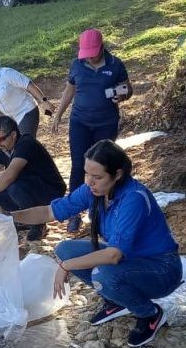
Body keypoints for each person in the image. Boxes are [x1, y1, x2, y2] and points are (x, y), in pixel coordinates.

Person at [10, 140, 181, 348]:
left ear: (117, 174)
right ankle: (117, 300)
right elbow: (49, 212)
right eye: (87, 174)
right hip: (129, 259)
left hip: (161, 269)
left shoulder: (133, 199)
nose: (90, 182)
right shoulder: (94, 190)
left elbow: (113, 255)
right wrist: (9, 217)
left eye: (97, 177)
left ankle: (150, 314)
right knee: (65, 250)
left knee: (102, 274)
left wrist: (65, 267)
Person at [52, 28, 133, 232]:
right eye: (85, 53)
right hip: (79, 122)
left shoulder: (115, 65)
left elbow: (127, 87)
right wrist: (59, 114)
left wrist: (122, 95)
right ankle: (74, 213)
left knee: (102, 167)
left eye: (92, 53)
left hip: (105, 123)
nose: (88, 57)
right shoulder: (77, 65)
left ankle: (98, 210)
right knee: (79, 164)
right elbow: (70, 89)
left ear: (101, 48)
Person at [0, 116, 66, 240]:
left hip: (50, 190)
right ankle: (23, 219)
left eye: (2, 139)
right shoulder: (5, 149)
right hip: (28, 188)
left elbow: (9, 176)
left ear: (14, 134)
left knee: (12, 187)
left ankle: (38, 223)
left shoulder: (26, 143)